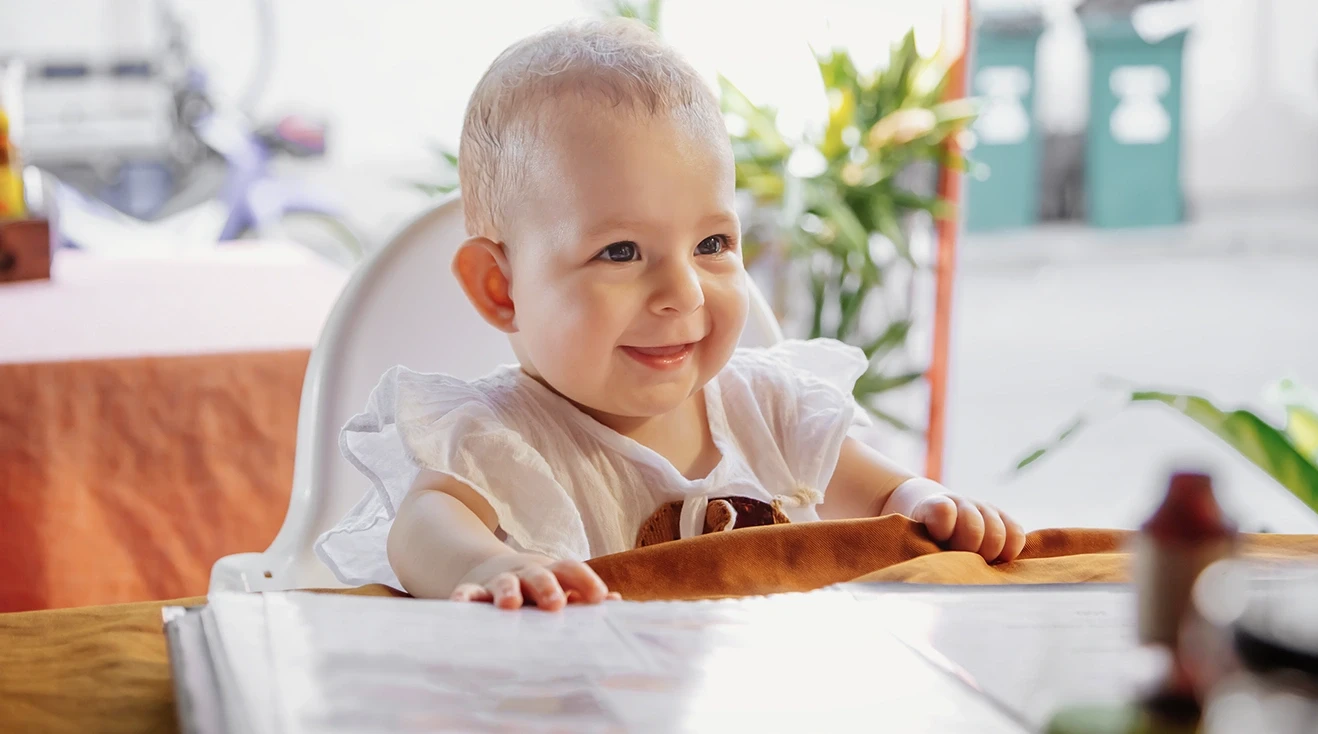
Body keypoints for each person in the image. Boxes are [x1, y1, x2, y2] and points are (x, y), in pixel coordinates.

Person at [316, 19, 1025, 611]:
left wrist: (934, 505)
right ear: (502, 288)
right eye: (621, 251)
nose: (683, 291)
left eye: (713, 243)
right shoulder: (498, 439)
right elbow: (423, 530)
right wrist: (485, 568)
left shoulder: (769, 409)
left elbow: (889, 500)